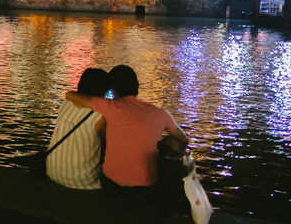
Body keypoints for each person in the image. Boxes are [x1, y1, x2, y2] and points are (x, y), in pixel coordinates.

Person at [65, 65, 188, 198]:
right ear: (137, 86)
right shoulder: (161, 113)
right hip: (147, 190)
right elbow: (183, 139)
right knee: (172, 142)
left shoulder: (109, 106)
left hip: (111, 186)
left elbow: (70, 95)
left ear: (112, 89)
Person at [47, 68, 109, 190]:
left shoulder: (66, 103)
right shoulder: (101, 115)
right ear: (103, 90)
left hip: (52, 171)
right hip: (85, 181)